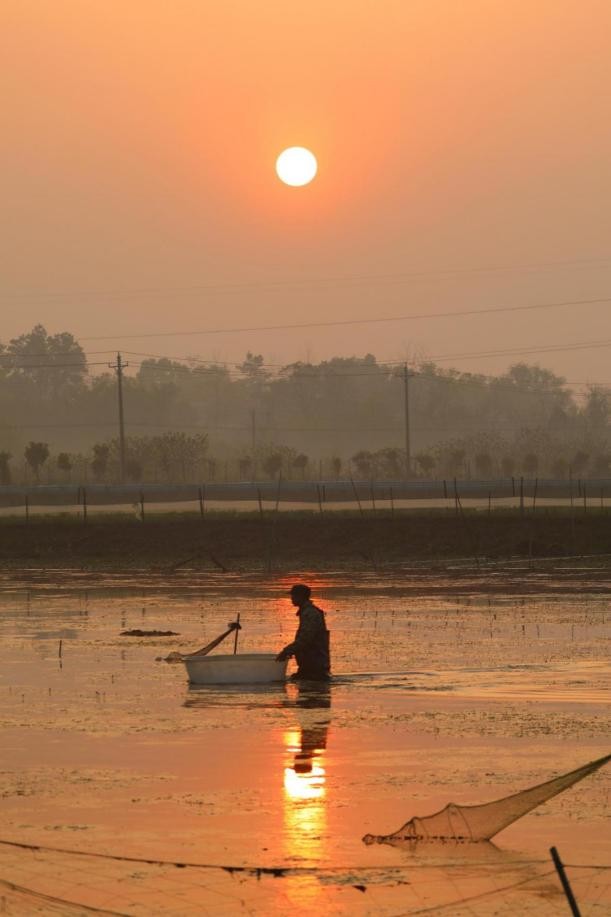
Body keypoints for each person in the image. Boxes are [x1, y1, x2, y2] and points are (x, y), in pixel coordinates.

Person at [276, 584, 330, 681]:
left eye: (293, 596)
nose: (291, 598)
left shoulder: (310, 613)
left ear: (300, 596)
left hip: (315, 667)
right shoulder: (306, 612)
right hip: (310, 666)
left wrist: (287, 651)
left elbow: (305, 639)